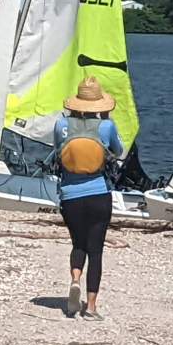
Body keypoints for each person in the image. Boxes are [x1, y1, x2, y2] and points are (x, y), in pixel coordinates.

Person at [55, 77, 125, 320]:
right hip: (98, 193)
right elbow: (118, 151)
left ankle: (75, 279)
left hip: (70, 195)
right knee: (96, 251)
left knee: (78, 244)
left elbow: (57, 150)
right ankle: (91, 307)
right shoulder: (106, 127)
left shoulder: (61, 124)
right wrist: (105, 123)